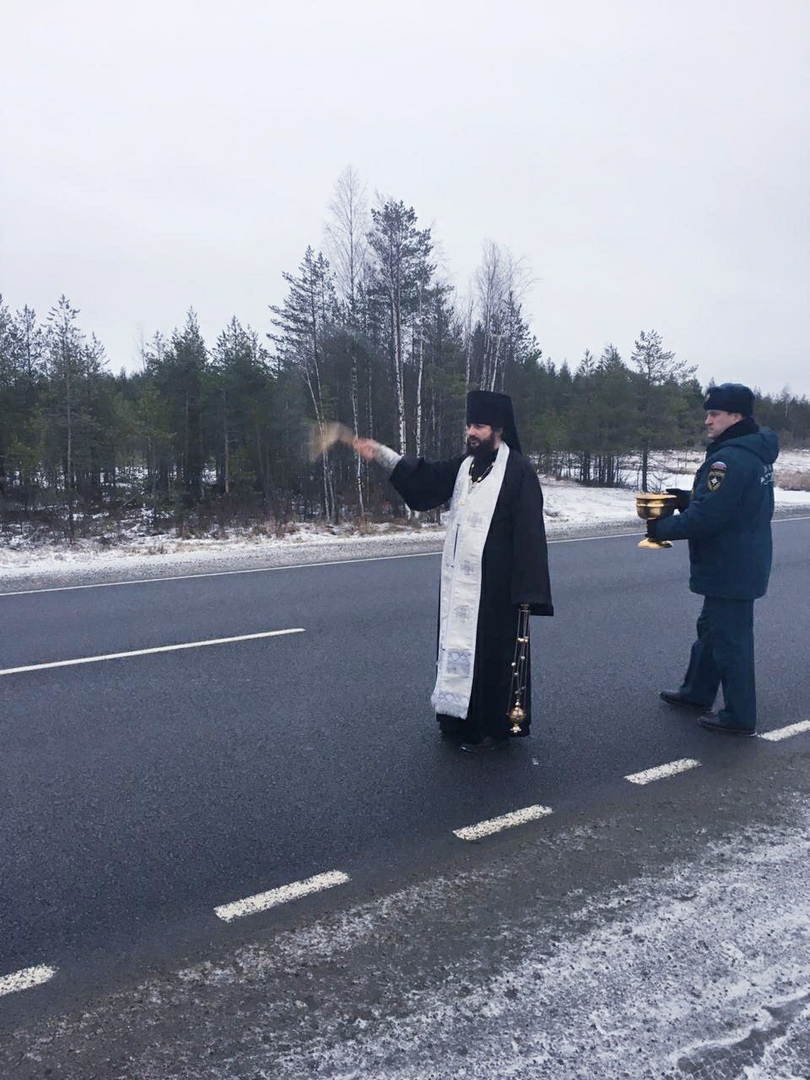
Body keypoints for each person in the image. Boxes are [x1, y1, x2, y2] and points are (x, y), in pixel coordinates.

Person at [353, 390, 554, 753]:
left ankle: (490, 728)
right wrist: (383, 456)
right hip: (461, 585)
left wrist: (527, 594)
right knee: (458, 649)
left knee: (491, 656)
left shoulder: (519, 473)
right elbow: (426, 483)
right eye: (469, 425)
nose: (471, 432)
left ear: (498, 430)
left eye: (479, 426)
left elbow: (530, 536)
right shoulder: (467, 466)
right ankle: (455, 719)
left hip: (497, 590)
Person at [648, 382, 779, 737]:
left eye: (714, 413)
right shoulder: (751, 451)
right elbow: (732, 503)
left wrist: (660, 528)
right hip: (739, 560)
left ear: (735, 416)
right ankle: (696, 692)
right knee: (712, 630)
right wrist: (690, 498)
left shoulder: (729, 458)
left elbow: (710, 518)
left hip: (730, 565)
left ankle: (739, 715)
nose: (707, 420)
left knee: (730, 640)